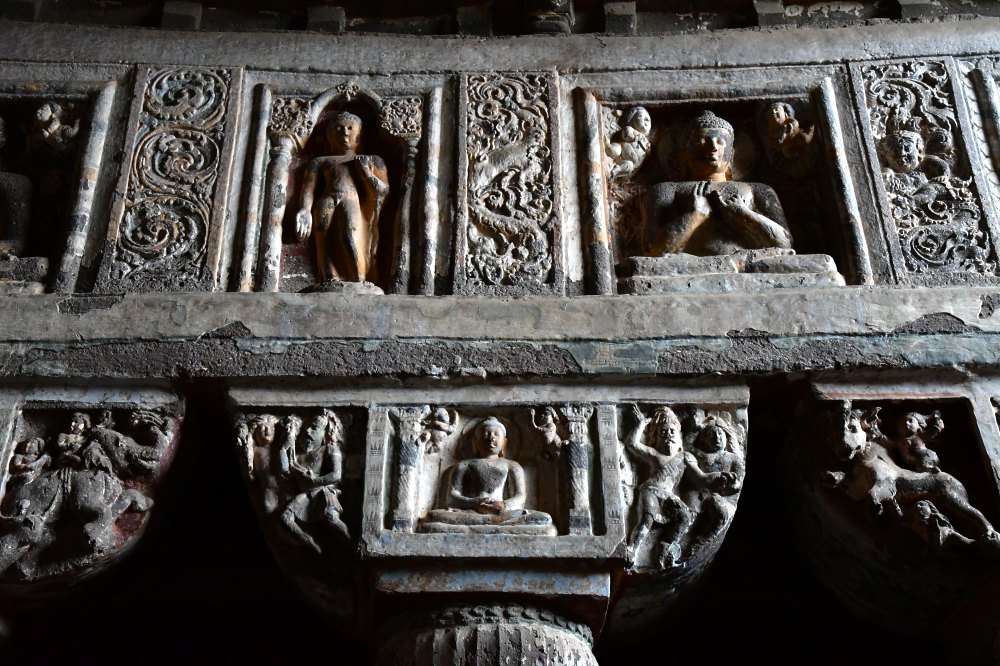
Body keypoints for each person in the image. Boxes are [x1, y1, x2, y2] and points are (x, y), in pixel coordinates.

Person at [643, 110, 792, 257]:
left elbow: (785, 243)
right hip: (687, 266)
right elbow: (652, 249)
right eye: (701, 140)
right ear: (683, 154)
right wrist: (694, 215)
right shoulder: (667, 189)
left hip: (747, 263)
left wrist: (744, 214)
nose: (713, 147)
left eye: (720, 141)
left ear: (731, 154)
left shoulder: (757, 189)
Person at [294, 111, 390, 286]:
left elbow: (383, 191)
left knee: (349, 235)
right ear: (330, 135)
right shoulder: (320, 161)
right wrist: (305, 209)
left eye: (350, 128)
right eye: (338, 129)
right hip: (326, 201)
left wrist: (366, 173)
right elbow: (308, 188)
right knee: (323, 239)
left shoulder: (371, 160)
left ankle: (358, 278)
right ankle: (330, 278)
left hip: (351, 200)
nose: (344, 133)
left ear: (359, 134)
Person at [422, 417, 554, 534]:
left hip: (502, 512)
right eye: (486, 433)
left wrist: (502, 505)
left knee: (543, 518)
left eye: (496, 434)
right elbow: (451, 498)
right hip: (472, 512)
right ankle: (491, 524)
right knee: (434, 516)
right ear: (475, 441)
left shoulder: (511, 465)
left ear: (505, 442)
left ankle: (481, 526)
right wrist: (475, 502)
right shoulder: (464, 465)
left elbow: (520, 497)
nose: (491, 438)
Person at [624, 405, 692, 566]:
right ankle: (633, 549)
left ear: (679, 436)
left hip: (669, 496)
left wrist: (717, 478)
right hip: (651, 491)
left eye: (672, 432)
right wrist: (641, 424)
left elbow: (700, 477)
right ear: (656, 437)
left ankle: (665, 547)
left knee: (685, 517)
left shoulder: (685, 457)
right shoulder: (655, 455)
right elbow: (632, 444)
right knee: (646, 518)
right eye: (663, 432)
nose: (668, 435)